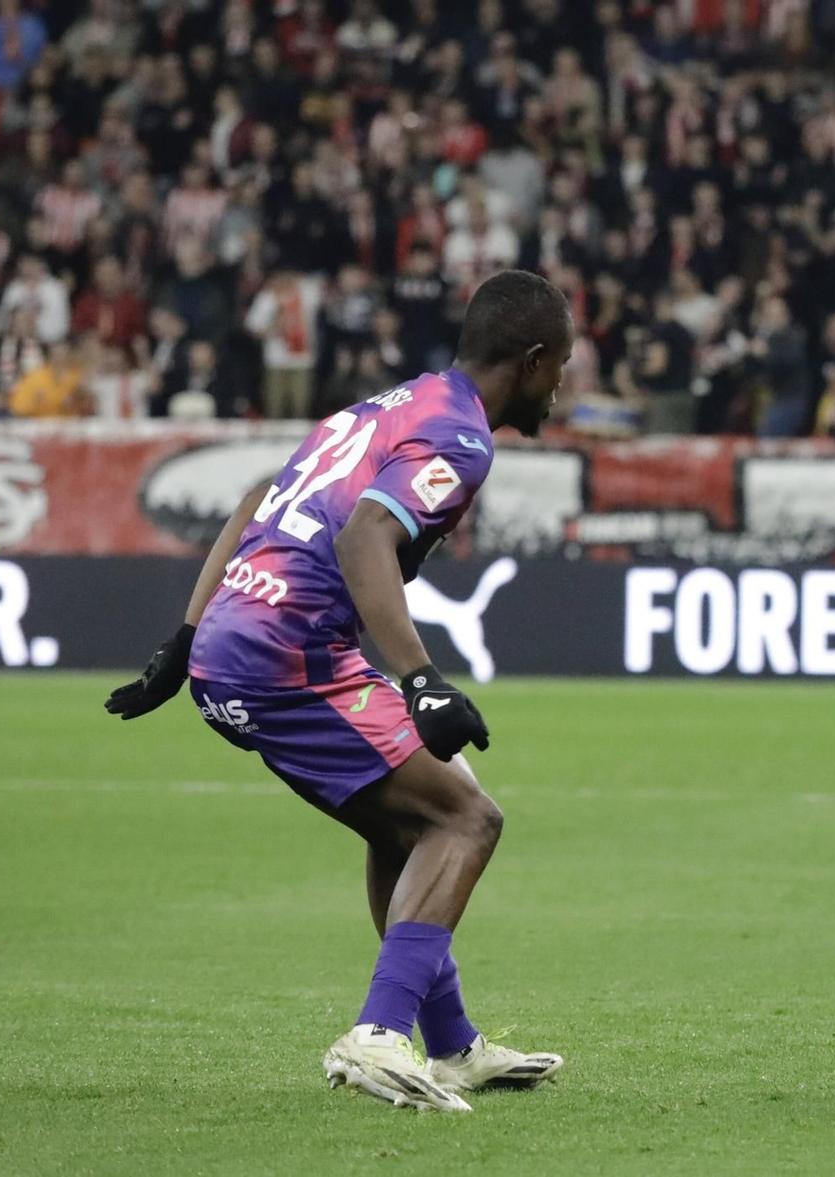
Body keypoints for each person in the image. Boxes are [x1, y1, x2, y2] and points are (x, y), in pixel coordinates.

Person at [104, 271, 574, 1113]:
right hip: (283, 655)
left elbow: (258, 498)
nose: (563, 386)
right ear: (533, 360)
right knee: (468, 818)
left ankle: (453, 1045)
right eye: (562, 367)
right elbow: (366, 537)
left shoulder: (388, 405)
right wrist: (422, 680)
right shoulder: (462, 438)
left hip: (240, 641)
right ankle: (378, 1032)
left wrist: (183, 641)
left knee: (410, 820)